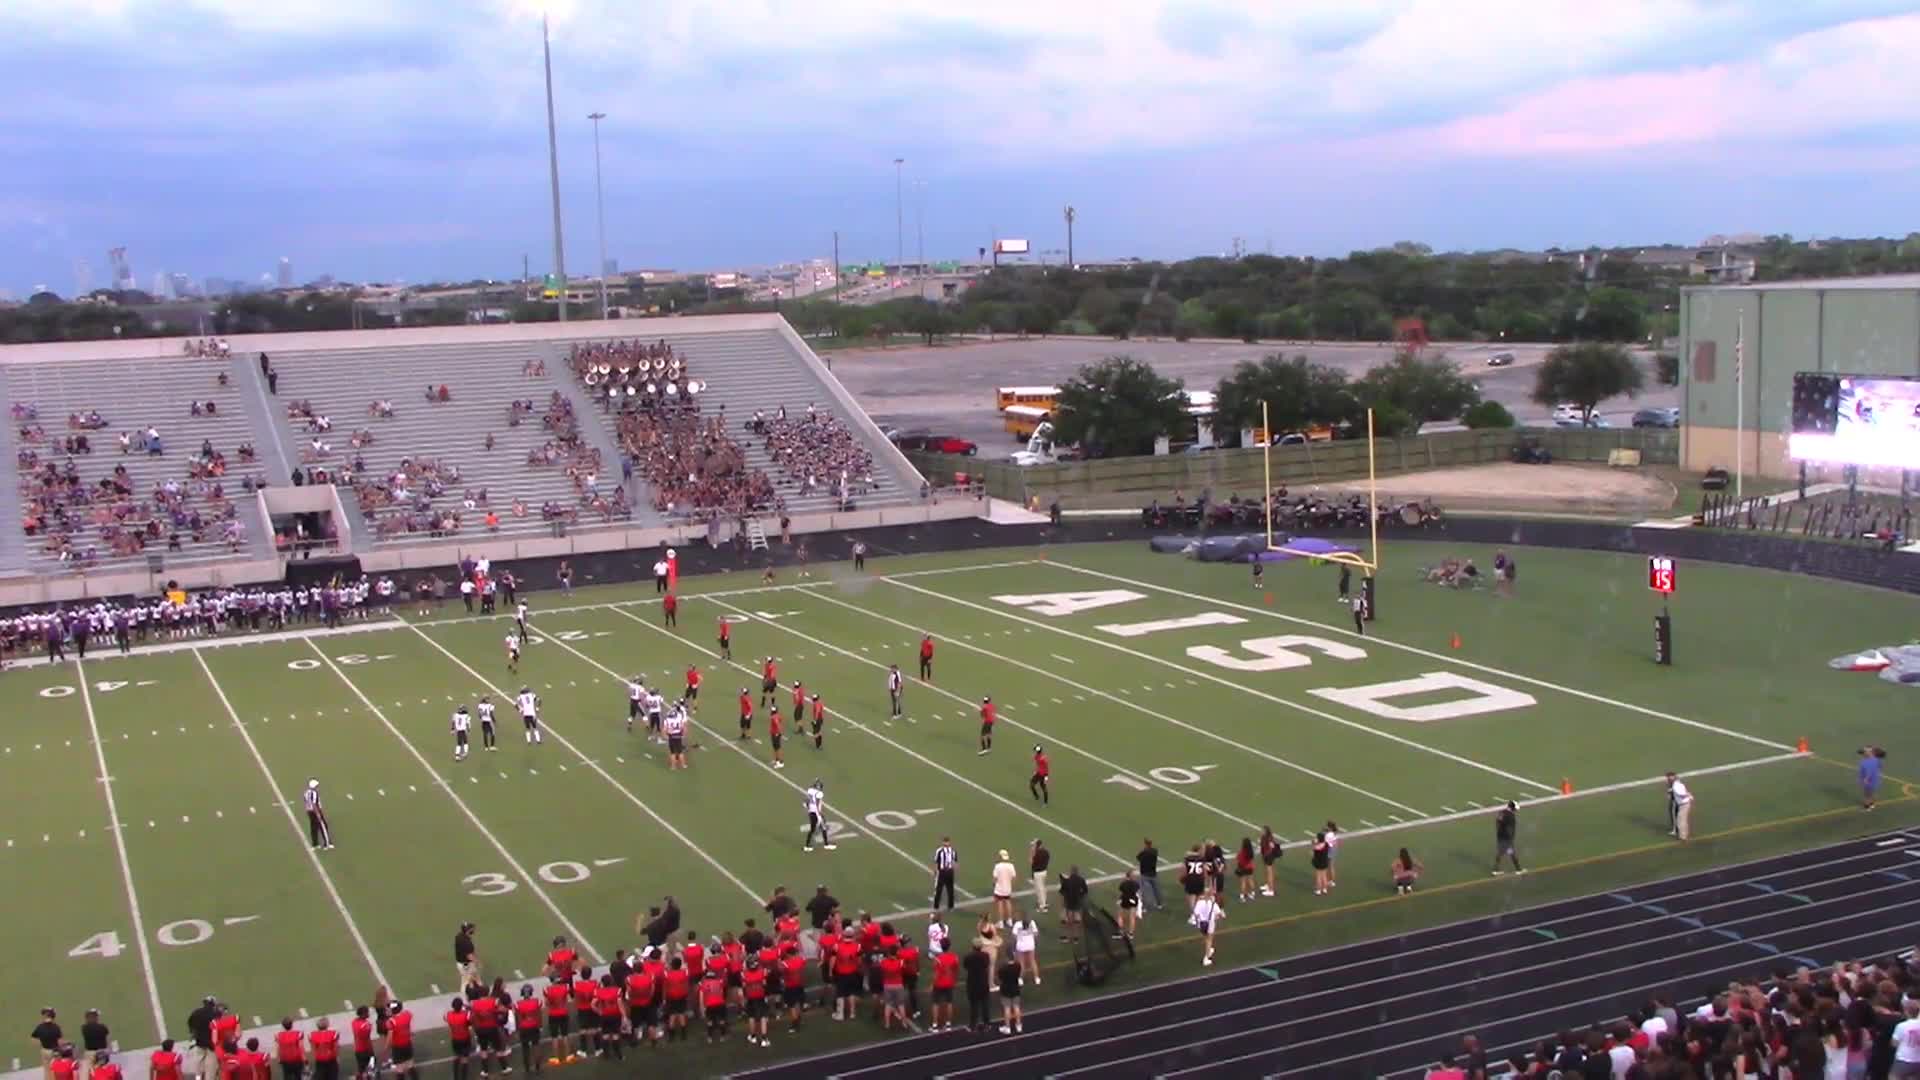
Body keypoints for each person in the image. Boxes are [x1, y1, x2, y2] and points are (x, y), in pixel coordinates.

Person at [1191, 886, 1225, 966]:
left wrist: (1196, 923)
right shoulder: (1213, 904)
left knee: (1206, 937)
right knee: (1209, 939)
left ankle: (1209, 949)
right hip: (1210, 924)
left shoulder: (1199, 903)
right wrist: (1219, 916)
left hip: (1201, 923)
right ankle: (1206, 957)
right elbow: (1220, 914)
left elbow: (1196, 914)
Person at [962, 942, 992, 1033]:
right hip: (983, 982)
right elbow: (987, 965)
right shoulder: (986, 955)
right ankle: (987, 1024)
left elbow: (965, 966)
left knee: (973, 1005)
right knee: (985, 1004)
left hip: (973, 983)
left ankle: (972, 1025)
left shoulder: (968, 957)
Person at [995, 948, 1024, 1035]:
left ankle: (1007, 1027)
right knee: (1016, 1007)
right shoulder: (1017, 965)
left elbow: (1000, 978)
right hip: (1015, 988)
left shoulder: (1003, 968)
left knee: (1007, 1008)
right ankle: (1018, 1026)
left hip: (1006, 989)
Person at [1492, 800, 1524, 875]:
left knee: (1501, 852)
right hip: (1507, 838)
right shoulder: (1511, 816)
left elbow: (1497, 822)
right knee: (1512, 853)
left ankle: (1495, 870)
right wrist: (1511, 837)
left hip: (1500, 836)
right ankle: (1518, 869)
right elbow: (1510, 828)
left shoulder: (1502, 812)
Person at [1010, 909, 1041, 986]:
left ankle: (1020, 979)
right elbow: (1036, 934)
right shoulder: (1032, 923)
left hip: (1021, 946)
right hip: (1030, 945)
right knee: (1032, 961)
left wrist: (1020, 938)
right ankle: (1037, 978)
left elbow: (1014, 935)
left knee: (1021, 963)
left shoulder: (1017, 924)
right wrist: (1030, 937)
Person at [802, 779, 833, 851]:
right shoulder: (819, 794)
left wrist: (806, 806)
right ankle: (826, 845)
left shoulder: (810, 790)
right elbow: (817, 804)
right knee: (822, 827)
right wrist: (819, 815)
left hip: (811, 812)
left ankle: (807, 846)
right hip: (816, 812)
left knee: (816, 829)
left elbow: (806, 800)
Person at [303, 778, 334, 849]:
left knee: (313, 827)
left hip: (309, 811)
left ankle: (315, 844)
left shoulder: (306, 793)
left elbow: (306, 802)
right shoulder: (314, 793)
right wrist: (318, 813)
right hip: (315, 811)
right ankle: (327, 843)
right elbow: (314, 804)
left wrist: (308, 811)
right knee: (323, 826)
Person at [990, 849, 1017, 926]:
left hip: (999, 889)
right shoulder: (1011, 866)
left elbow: (995, 878)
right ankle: (1009, 920)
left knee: (1000, 904)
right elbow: (1014, 878)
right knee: (1008, 903)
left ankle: (1001, 922)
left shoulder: (997, 866)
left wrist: (993, 884)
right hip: (1008, 888)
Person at [931, 837, 958, 910]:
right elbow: (936, 861)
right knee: (939, 889)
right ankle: (936, 906)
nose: (946, 843)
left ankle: (951, 906)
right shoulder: (939, 851)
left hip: (949, 872)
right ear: (943, 842)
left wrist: (954, 868)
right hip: (942, 872)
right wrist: (935, 870)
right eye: (945, 842)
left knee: (950, 890)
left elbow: (954, 861)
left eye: (947, 842)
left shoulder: (953, 851)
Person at [1138, 838, 1164, 911]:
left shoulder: (1144, 852)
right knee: (1156, 890)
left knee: (1144, 891)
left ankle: (1145, 907)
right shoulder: (1155, 851)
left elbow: (1138, 857)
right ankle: (1159, 904)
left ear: (1145, 844)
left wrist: (1143, 850)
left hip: (1144, 874)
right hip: (1153, 873)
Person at [1666, 772, 1693, 841]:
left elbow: (1681, 794)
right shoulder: (1679, 784)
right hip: (1684, 804)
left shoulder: (1675, 787)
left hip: (1683, 804)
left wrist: (1688, 795)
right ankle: (1684, 835)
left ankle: (1683, 837)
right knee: (1682, 820)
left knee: (1681, 821)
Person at [1116, 870, 1141, 940]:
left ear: (1126, 876)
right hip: (1133, 900)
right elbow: (1138, 893)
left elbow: (1121, 891)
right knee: (1132, 917)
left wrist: (1119, 900)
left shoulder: (1123, 884)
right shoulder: (1136, 884)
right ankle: (1131, 934)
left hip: (1124, 899)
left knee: (1120, 916)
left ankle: (1120, 932)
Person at [1259, 826, 1282, 898]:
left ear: (1266, 832)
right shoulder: (1264, 837)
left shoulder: (1269, 839)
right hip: (1266, 856)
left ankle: (1271, 890)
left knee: (1270, 872)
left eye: (1262, 830)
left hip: (1269, 856)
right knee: (1267, 871)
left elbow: (1272, 846)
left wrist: (1270, 852)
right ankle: (1268, 885)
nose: (1261, 831)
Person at [1029, 839, 1051, 914]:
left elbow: (1031, 862)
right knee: (1043, 888)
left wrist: (1032, 853)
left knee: (1040, 889)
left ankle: (1043, 906)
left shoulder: (1036, 853)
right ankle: (1043, 902)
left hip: (1038, 873)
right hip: (1044, 871)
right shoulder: (1046, 852)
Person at [1860, 745, 1886, 810]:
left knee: (1867, 794)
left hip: (1870, 779)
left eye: (1866, 751)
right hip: (1874, 778)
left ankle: (1867, 807)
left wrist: (1866, 778)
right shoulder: (1876, 760)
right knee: (1871, 793)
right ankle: (1872, 804)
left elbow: (1870, 770)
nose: (1864, 752)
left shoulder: (1871, 761)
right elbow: (1880, 766)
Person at [1309, 831, 1332, 896]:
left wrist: (1314, 844)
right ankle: (1325, 889)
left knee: (1318, 876)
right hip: (1325, 861)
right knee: (1324, 876)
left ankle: (1318, 890)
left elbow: (1312, 853)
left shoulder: (1316, 847)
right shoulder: (1326, 844)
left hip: (1319, 863)